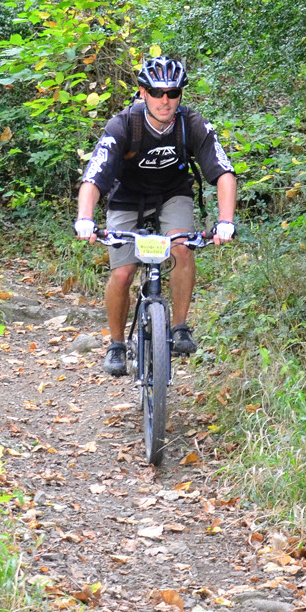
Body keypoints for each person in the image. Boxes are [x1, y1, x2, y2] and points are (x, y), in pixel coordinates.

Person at [74, 56, 237, 376]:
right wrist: (85, 218)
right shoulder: (122, 125)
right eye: (157, 92)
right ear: (143, 92)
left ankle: (179, 328)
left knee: (181, 248)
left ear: (180, 95)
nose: (165, 100)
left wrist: (226, 221)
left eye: (173, 93)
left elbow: (224, 174)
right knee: (122, 274)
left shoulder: (192, 124)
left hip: (172, 194)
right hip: (128, 198)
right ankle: (117, 345)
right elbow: (93, 179)